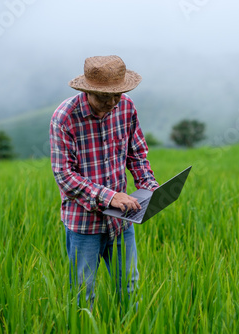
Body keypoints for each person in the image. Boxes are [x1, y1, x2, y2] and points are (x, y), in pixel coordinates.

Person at [49, 55, 159, 309]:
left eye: (117, 95)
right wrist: (110, 196)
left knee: (130, 289)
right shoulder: (65, 118)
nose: (111, 103)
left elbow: (137, 154)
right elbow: (65, 176)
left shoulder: (126, 107)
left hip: (122, 220)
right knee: (83, 296)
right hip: (83, 224)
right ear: (87, 90)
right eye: (103, 97)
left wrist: (149, 186)